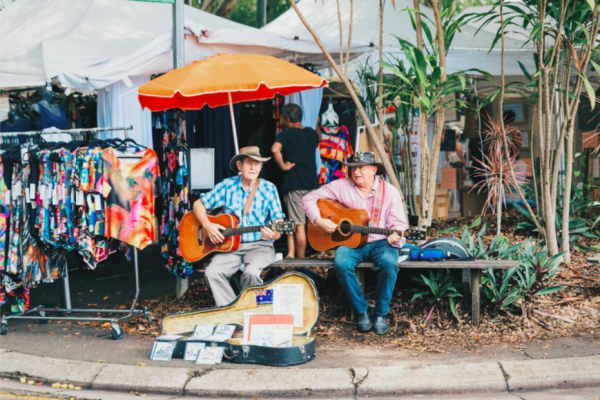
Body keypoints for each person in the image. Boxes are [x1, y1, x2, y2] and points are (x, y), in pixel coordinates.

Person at [302, 151, 409, 335]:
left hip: (380, 242)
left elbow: (398, 225)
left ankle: (381, 313)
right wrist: (318, 220)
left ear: (374, 169)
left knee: (390, 263)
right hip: (352, 243)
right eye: (352, 168)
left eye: (361, 167)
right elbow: (308, 198)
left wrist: (396, 235)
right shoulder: (341, 186)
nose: (356, 172)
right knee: (341, 263)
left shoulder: (389, 191)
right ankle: (361, 311)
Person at [192, 146, 286, 307]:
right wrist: (208, 225)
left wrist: (275, 234)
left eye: (257, 164)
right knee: (212, 273)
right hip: (230, 247)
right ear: (239, 166)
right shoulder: (227, 186)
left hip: (260, 246)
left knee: (251, 273)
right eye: (249, 163)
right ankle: (231, 310)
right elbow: (198, 204)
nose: (253, 167)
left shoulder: (269, 188)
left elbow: (278, 221)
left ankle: (249, 311)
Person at [271, 103, 320, 258]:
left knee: (298, 225)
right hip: (311, 184)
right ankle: (291, 253)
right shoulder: (311, 133)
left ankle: (300, 260)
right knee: (298, 222)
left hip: (295, 185)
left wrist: (283, 166)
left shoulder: (287, 134)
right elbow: (318, 138)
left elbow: (274, 149)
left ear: (286, 119)